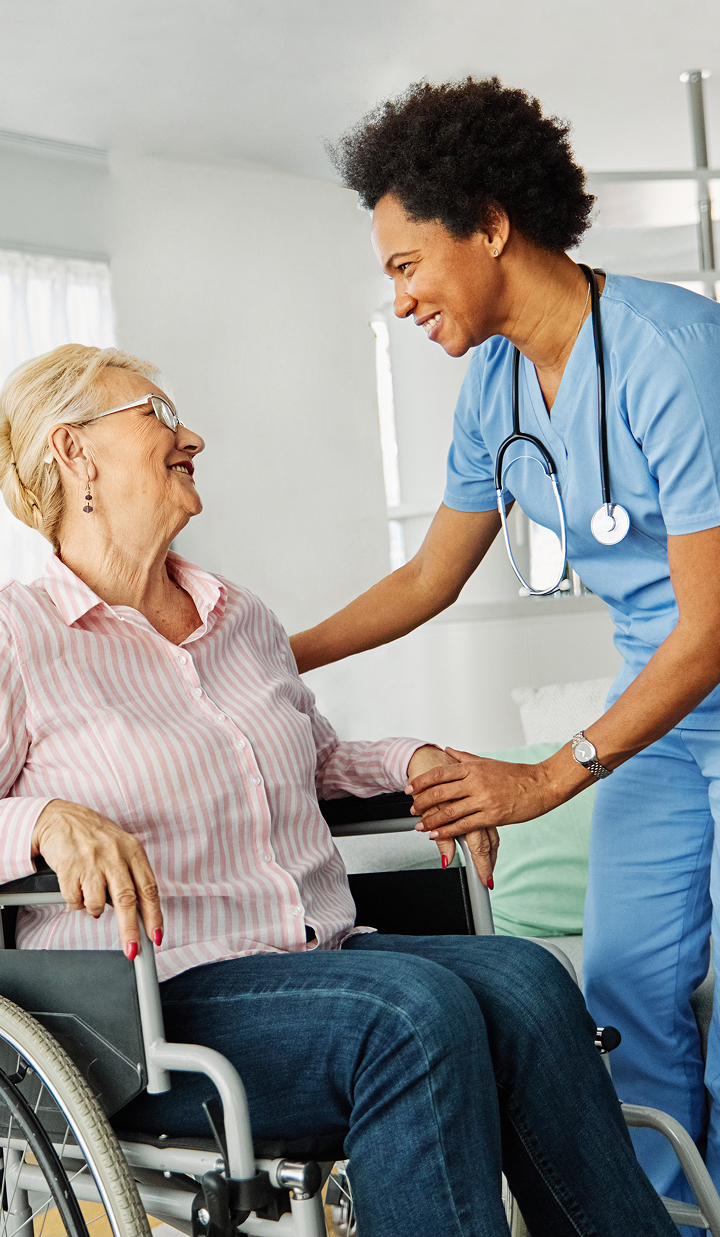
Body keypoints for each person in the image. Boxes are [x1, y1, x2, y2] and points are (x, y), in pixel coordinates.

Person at [0, 343, 677, 1237]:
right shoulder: (20, 633)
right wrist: (41, 820)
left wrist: (412, 763)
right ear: (72, 451)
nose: (189, 434)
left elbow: (311, 760)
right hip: (146, 1003)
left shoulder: (236, 616)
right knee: (411, 1016)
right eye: (156, 414)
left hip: (313, 951)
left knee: (527, 980)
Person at [288, 76, 720, 1216]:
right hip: (661, 704)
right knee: (627, 986)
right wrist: (272, 654)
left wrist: (547, 774)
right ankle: (669, 1214)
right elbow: (434, 576)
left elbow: (713, 624)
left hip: (698, 664)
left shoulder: (677, 354)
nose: (400, 300)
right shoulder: (492, 383)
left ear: (491, 223)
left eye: (404, 264)